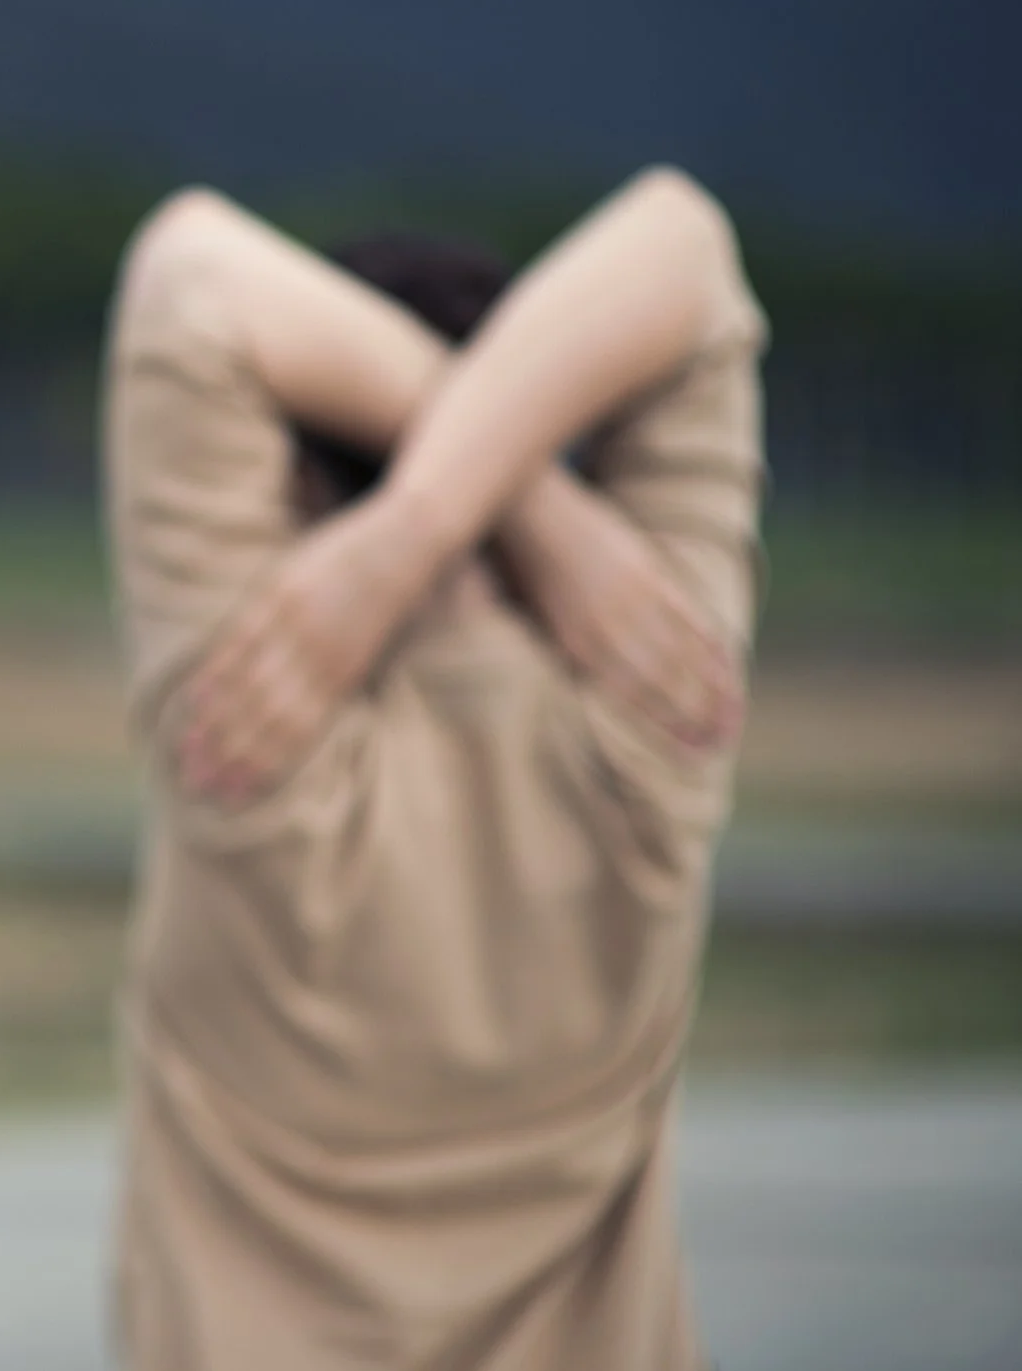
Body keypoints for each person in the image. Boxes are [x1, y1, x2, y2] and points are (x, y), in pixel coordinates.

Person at [102, 170, 765, 1369]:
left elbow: (186, 272)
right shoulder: (661, 700)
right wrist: (525, 492)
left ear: (288, 480)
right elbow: (686, 241)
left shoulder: (242, 731)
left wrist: (402, 528)